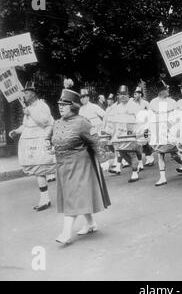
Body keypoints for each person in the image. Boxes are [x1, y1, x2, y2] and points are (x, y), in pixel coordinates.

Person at [50, 89, 110, 244]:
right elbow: (52, 139)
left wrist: (104, 160)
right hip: (63, 166)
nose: (60, 107)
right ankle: (91, 223)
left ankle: (66, 232)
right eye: (59, 104)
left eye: (64, 104)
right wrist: (49, 147)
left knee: (73, 198)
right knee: (75, 196)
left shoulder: (82, 122)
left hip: (80, 165)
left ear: (73, 106)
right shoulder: (56, 123)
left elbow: (95, 141)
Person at [9, 81, 56, 211]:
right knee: (38, 171)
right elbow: (26, 125)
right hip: (30, 143)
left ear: (33, 93)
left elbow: (43, 122)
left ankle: (57, 195)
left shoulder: (42, 106)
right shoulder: (28, 108)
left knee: (43, 168)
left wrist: (30, 112)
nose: (24, 96)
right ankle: (44, 198)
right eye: (24, 93)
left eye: (27, 93)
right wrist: (16, 131)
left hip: (41, 140)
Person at [149, 80, 182, 186]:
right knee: (160, 154)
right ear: (161, 91)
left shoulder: (172, 102)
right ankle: (162, 178)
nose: (168, 90)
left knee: (174, 154)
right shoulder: (153, 102)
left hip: (171, 131)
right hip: (159, 132)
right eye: (166, 88)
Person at [109, 85, 141, 182]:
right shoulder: (117, 107)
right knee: (121, 152)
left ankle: (135, 173)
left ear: (128, 95)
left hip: (131, 130)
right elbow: (114, 121)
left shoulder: (134, 105)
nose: (122, 96)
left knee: (131, 152)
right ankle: (135, 166)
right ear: (118, 96)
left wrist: (139, 131)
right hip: (120, 133)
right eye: (120, 94)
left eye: (125, 94)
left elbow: (140, 118)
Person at [127, 85, 155, 168]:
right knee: (138, 143)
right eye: (135, 93)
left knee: (145, 142)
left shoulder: (145, 103)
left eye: (137, 93)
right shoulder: (131, 104)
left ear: (141, 94)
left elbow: (150, 113)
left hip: (145, 125)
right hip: (136, 126)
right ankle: (141, 162)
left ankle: (150, 158)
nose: (135, 95)